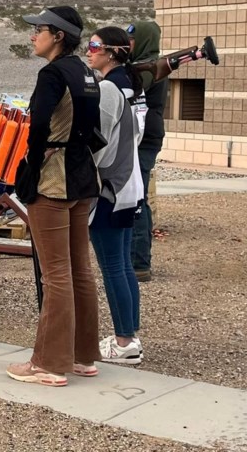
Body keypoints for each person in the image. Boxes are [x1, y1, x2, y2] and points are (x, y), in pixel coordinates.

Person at [6, 6, 103, 387]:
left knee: (56, 273)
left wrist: (35, 155)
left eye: (40, 30)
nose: (34, 36)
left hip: (54, 178)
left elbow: (39, 123)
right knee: (80, 268)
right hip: (82, 176)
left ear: (58, 36)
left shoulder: (51, 74)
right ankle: (82, 356)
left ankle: (47, 362)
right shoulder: (86, 71)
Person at [85, 26, 147, 365]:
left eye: (94, 45)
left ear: (111, 51)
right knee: (122, 265)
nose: (89, 51)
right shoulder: (132, 83)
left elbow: (101, 140)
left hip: (113, 185)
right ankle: (130, 336)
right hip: (129, 182)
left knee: (112, 265)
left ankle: (124, 341)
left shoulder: (109, 87)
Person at [126, 21, 167, 282]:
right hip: (141, 138)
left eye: (131, 40)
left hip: (143, 140)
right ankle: (136, 259)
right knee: (135, 197)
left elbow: (131, 90)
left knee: (137, 200)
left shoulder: (152, 67)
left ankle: (139, 263)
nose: (127, 45)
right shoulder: (146, 65)